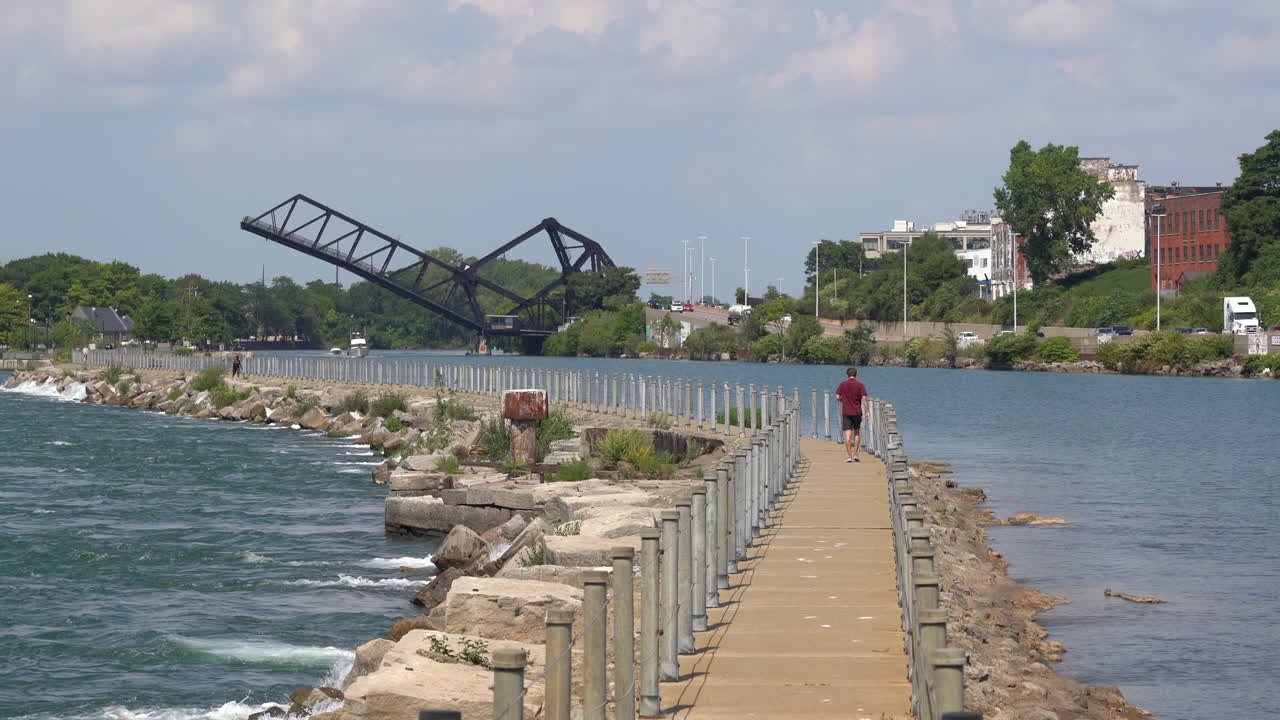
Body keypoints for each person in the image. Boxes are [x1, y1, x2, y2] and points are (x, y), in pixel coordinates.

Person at [835, 367, 868, 463]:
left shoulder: (843, 384)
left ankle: (849, 456)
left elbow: (837, 397)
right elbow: (865, 398)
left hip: (846, 413)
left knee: (848, 436)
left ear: (847, 375)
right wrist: (868, 411)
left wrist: (843, 400)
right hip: (857, 412)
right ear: (856, 374)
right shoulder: (860, 385)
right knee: (857, 433)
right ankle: (856, 454)